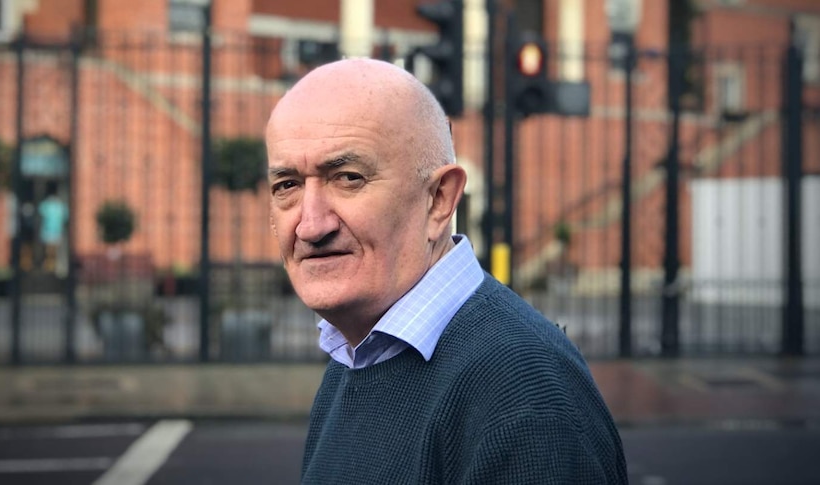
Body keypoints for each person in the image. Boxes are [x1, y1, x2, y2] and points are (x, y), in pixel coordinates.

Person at [265, 58, 627, 484]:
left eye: (348, 177)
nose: (310, 224)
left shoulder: (521, 391)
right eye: (287, 185)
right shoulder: (355, 356)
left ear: (439, 200)